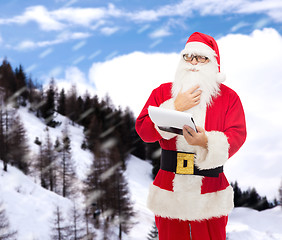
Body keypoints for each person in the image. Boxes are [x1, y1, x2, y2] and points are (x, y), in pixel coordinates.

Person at [135, 32, 247, 240]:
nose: (194, 63)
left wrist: (206, 141)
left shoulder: (229, 98)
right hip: (170, 192)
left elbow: (238, 134)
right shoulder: (162, 93)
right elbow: (144, 131)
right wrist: (176, 106)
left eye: (201, 57)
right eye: (189, 57)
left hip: (210, 192)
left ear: (213, 62)